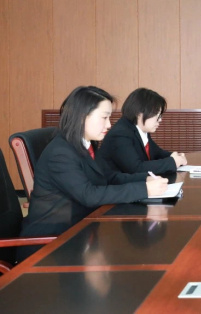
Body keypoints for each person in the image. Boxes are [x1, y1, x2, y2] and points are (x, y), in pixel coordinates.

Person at [18, 86, 168, 261]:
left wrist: (145, 179)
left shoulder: (86, 144)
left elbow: (109, 177)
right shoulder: (61, 153)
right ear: (82, 116)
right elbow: (89, 195)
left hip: (80, 231)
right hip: (51, 245)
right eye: (104, 117)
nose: (109, 125)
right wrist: (144, 189)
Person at [97, 87, 187, 175]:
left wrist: (174, 156)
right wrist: (172, 162)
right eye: (157, 115)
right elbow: (136, 168)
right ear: (139, 113)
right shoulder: (120, 134)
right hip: (116, 184)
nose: (160, 120)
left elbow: (156, 153)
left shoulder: (141, 129)